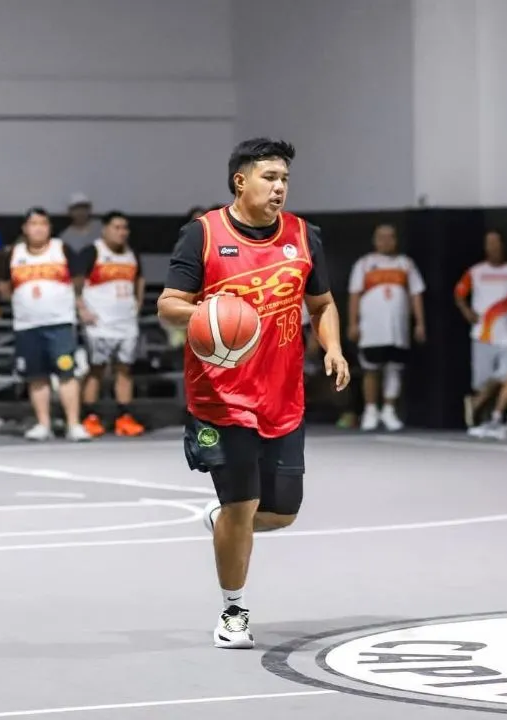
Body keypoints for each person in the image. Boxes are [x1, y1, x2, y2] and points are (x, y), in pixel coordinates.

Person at [157, 138, 350, 649]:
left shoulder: (304, 236)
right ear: (240, 181)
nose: (279, 187)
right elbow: (169, 305)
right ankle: (233, 611)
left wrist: (333, 347)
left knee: (282, 512)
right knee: (243, 503)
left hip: (282, 397)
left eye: (284, 179)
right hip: (220, 399)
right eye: (269, 177)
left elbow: (322, 304)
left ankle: (225, 521)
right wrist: (213, 313)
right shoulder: (202, 234)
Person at [0, 208, 90, 442]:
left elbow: (78, 280)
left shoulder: (62, 249)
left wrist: (77, 305)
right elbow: (3, 286)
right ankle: (43, 424)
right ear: (25, 228)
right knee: (36, 376)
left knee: (67, 373)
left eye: (43, 223)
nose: (38, 228)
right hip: (27, 325)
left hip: (59, 323)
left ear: (49, 227)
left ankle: (73, 424)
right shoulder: (14, 253)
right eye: (33, 223)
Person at [347, 224, 426, 431]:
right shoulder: (364, 264)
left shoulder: (405, 264)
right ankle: (371, 411)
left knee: (394, 369)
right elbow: (354, 295)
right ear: (375, 240)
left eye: (390, 237)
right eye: (381, 237)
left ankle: (389, 410)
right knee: (371, 369)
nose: (386, 241)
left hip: (398, 328)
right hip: (372, 328)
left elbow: (416, 294)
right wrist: (353, 323)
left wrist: (420, 323)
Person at [76, 211, 146, 437]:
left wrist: (138, 303)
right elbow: (76, 282)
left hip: (126, 322)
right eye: (116, 227)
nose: (121, 232)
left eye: (125, 228)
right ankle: (90, 417)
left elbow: (140, 279)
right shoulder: (92, 251)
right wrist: (82, 309)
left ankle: (124, 417)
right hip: (99, 323)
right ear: (104, 229)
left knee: (125, 369)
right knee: (96, 369)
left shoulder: (132, 253)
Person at [454, 231, 507, 429]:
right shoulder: (475, 271)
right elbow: (459, 293)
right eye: (489, 243)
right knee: (482, 382)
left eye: (496, 242)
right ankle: (484, 414)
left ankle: (481, 407)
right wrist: (467, 312)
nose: (493, 247)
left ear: (503, 245)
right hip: (483, 335)